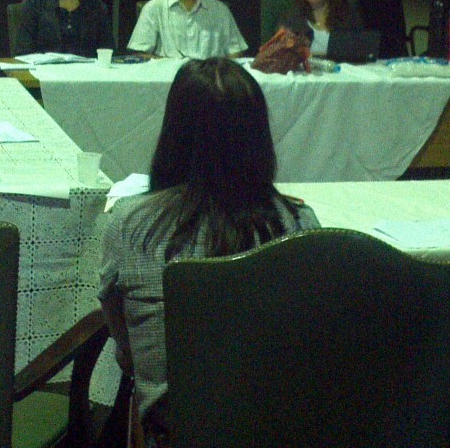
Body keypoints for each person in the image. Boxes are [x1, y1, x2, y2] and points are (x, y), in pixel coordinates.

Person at [98, 58, 319, 446]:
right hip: (278, 428)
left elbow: (124, 343)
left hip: (174, 430)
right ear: (258, 137)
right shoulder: (299, 224)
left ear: (174, 135)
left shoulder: (131, 225)